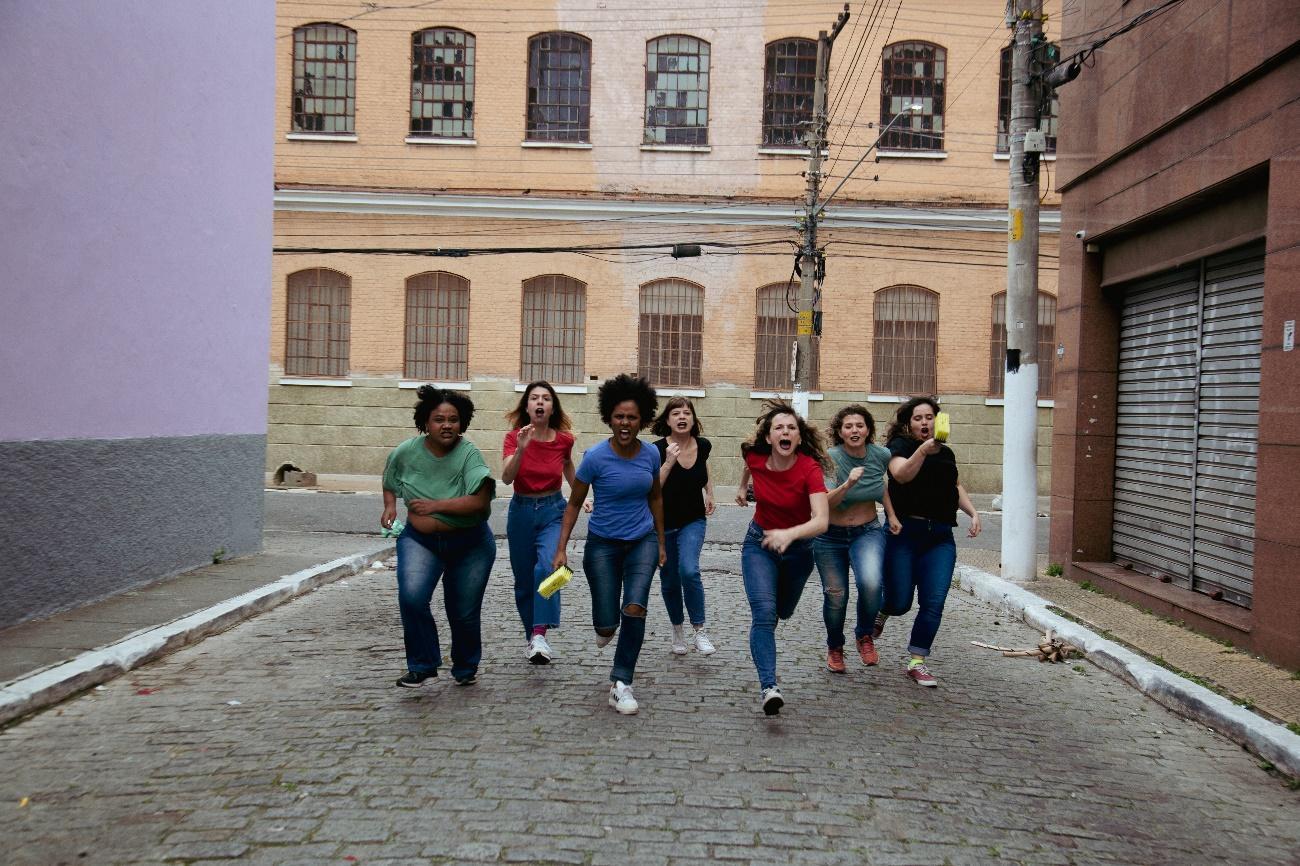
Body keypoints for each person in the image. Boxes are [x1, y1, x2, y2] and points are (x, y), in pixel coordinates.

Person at [553, 374, 665, 715]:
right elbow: (573, 503)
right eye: (619, 416)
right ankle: (605, 625)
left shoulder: (650, 456)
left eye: (632, 417)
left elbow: (656, 498)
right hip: (602, 545)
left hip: (642, 541)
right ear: (609, 418)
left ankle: (621, 682)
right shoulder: (595, 457)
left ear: (642, 419)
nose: (625, 423)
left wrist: (660, 541)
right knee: (606, 622)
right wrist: (561, 549)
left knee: (635, 606)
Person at [381, 385, 496, 688]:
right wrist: (390, 506)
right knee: (412, 597)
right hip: (421, 541)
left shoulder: (469, 454)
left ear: (463, 423)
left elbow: (479, 501)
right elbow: (390, 479)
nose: (447, 425)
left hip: (470, 543)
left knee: (463, 611)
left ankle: (465, 665)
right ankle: (422, 664)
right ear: (425, 422)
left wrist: (436, 506)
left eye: (453, 419)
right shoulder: (406, 452)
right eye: (439, 419)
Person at [878, 396, 981, 687]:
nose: (925, 423)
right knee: (900, 602)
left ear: (938, 420)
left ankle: (917, 661)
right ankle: (884, 610)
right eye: (918, 418)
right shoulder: (899, 447)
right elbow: (900, 475)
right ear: (908, 424)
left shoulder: (946, 453)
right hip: (905, 533)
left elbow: (955, 484)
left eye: (929, 417)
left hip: (940, 538)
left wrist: (972, 512)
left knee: (933, 601)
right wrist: (923, 450)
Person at [734, 402, 829, 715]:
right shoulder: (755, 455)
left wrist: (789, 535)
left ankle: (772, 631)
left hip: (799, 552)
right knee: (764, 613)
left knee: (783, 611)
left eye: (792, 428)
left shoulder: (809, 469)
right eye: (779, 428)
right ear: (770, 437)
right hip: (759, 543)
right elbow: (747, 460)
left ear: (799, 438)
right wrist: (742, 486)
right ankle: (768, 686)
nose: (786, 432)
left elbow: (821, 521)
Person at [813, 405, 898, 673]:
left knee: (872, 583)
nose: (854, 430)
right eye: (848, 426)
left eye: (859, 425)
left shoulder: (881, 455)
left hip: (867, 531)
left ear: (868, 429)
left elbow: (880, 485)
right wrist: (847, 484)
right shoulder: (829, 458)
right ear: (839, 431)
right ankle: (835, 647)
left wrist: (892, 515)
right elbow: (825, 501)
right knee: (836, 595)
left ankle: (864, 636)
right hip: (829, 536)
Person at [501, 381, 576, 666]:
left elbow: (568, 464)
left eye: (546, 398)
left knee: (548, 568)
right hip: (520, 511)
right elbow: (507, 478)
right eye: (534, 398)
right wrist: (521, 449)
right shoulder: (513, 437)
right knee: (523, 582)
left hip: (552, 509)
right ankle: (533, 638)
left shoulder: (564, 439)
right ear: (527, 406)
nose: (540, 402)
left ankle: (541, 631)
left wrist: (581, 496)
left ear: (552, 406)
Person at [651, 397, 717, 656]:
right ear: (667, 421)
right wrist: (668, 461)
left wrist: (710, 492)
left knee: (689, 571)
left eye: (687, 413)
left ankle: (699, 630)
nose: (682, 417)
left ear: (693, 419)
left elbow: (705, 468)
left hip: (693, 520)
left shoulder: (703, 445)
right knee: (669, 580)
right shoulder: (656, 450)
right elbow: (652, 488)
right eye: (676, 413)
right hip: (663, 524)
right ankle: (677, 629)